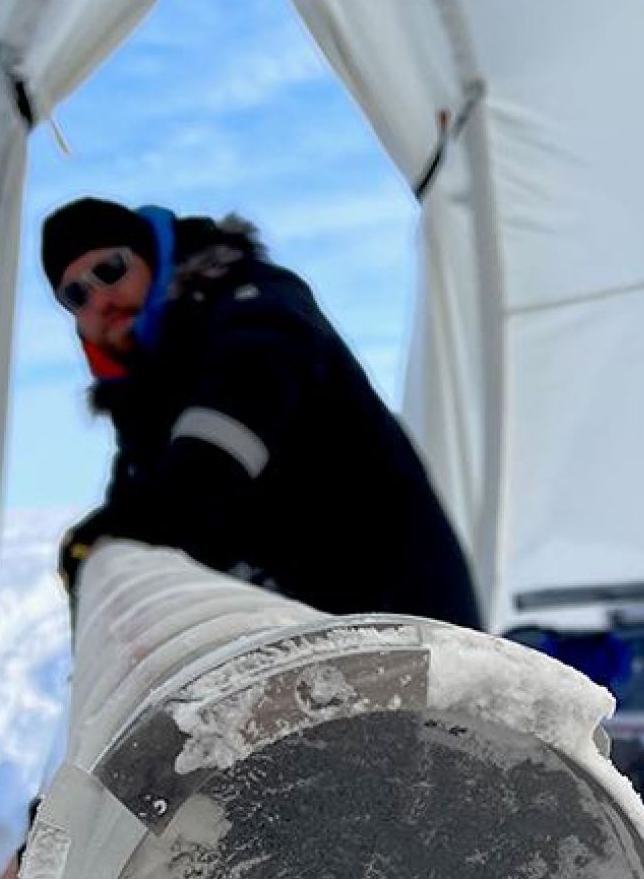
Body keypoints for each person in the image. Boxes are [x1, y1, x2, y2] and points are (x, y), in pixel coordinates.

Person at [41, 198, 482, 628]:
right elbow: (145, 495)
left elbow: (235, 415)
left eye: (109, 270)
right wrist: (108, 532)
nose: (100, 300)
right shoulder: (144, 394)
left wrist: (140, 519)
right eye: (76, 294)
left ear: (151, 256)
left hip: (409, 620)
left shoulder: (254, 301)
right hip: (305, 637)